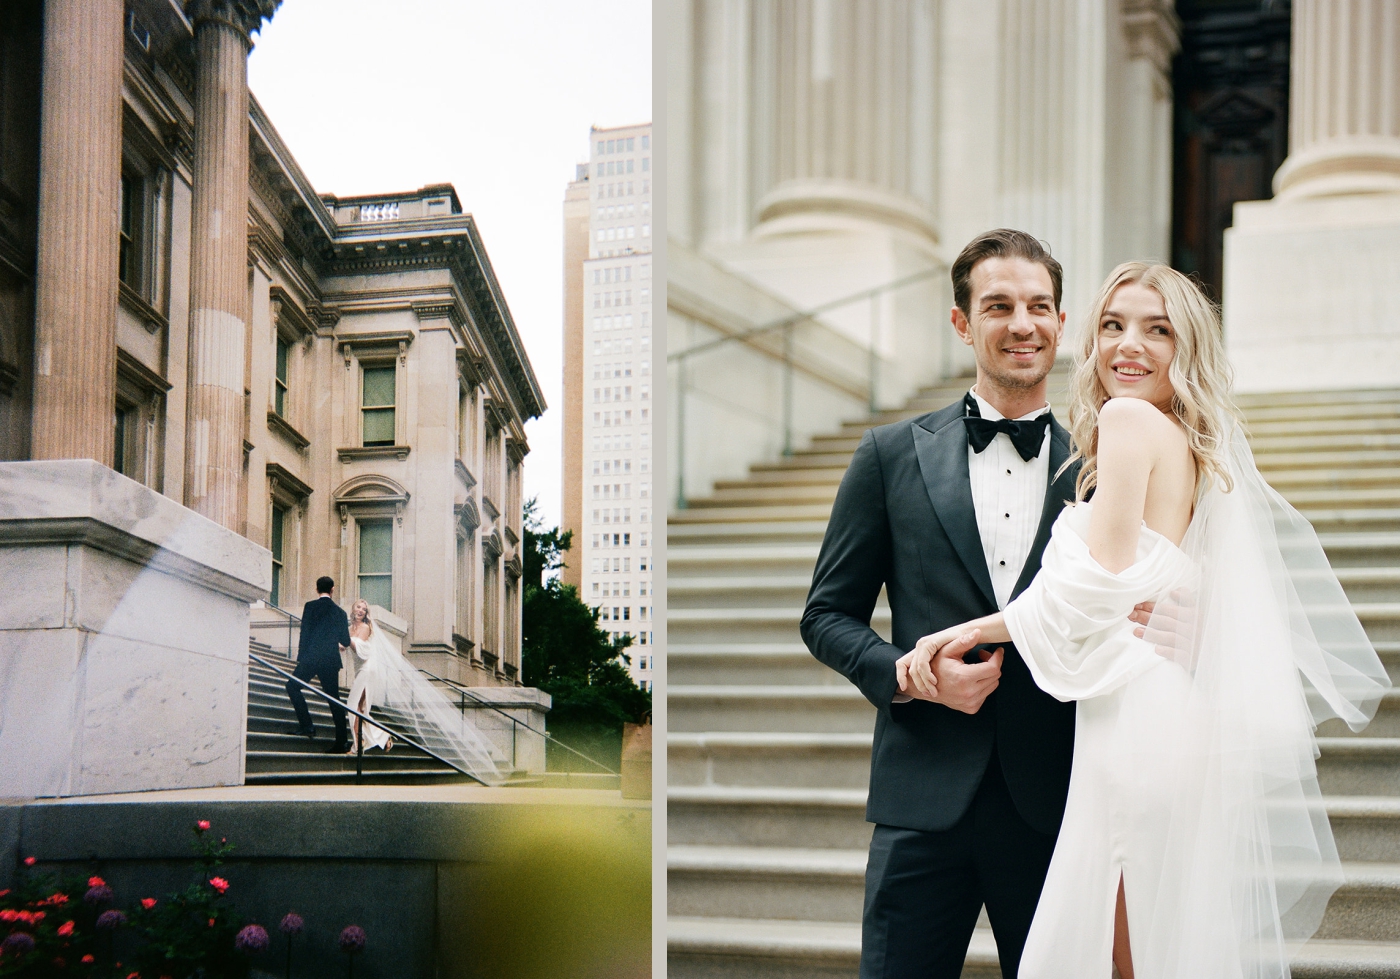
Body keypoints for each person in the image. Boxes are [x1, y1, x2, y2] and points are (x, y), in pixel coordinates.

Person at [902, 262, 1390, 978]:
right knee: (1145, 942)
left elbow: (1091, 587)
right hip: (1154, 711)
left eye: (1156, 329)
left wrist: (965, 631)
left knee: (1120, 939)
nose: (1129, 344)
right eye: (1112, 325)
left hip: (1139, 723)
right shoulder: (1188, 444)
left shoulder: (1129, 421)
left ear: (1184, 346)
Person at [802, 229, 1124, 979]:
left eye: (1039, 306)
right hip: (921, 802)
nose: (1023, 324)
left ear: (1060, 320)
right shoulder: (887, 455)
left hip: (1060, 802)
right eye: (999, 305)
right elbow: (826, 614)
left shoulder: (1106, 464)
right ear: (961, 322)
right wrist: (909, 675)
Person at [288, 575, 352, 753]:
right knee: (334, 700)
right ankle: (341, 742)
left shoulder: (310, 607)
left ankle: (307, 725)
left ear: (317, 589)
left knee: (292, 687)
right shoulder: (340, 613)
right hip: (330, 661)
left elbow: (305, 633)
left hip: (310, 658)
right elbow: (345, 641)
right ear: (332, 590)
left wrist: (301, 657)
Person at [345, 598, 394, 754]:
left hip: (368, 668)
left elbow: (357, 646)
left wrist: (342, 639)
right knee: (360, 709)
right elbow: (343, 646)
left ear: (366, 614)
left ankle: (358, 745)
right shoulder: (349, 628)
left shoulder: (365, 627)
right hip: (359, 669)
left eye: (364, 609)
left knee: (352, 705)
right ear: (353, 609)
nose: (360, 610)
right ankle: (383, 736)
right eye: (358, 607)